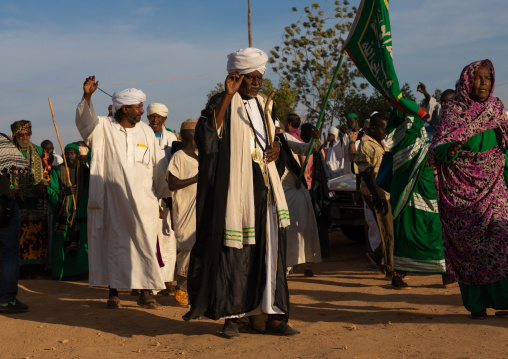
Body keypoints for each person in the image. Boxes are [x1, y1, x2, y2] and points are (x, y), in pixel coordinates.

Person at [184, 47, 299, 338]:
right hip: (235, 190)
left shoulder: (264, 104)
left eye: (260, 77)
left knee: (270, 251)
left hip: (265, 189)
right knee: (234, 253)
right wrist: (228, 96)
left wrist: (276, 150)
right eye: (251, 78)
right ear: (236, 76)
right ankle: (232, 317)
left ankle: (272, 315)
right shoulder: (221, 101)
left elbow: (273, 144)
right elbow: (207, 139)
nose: (257, 83)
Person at [75, 76, 170, 309]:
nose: (141, 111)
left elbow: (157, 166)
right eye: (137, 107)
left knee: (146, 244)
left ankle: (146, 293)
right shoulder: (104, 128)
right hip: (112, 202)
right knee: (113, 245)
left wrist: (163, 196)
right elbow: (85, 124)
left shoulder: (146, 132)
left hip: (143, 202)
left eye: (140, 106)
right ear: (124, 108)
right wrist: (87, 96)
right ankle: (114, 292)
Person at [430, 59, 508, 319]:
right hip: (460, 196)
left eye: (488, 78)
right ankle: (476, 306)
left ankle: (504, 301)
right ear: (467, 81)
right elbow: (437, 149)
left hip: (495, 189)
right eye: (479, 77)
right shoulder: (453, 111)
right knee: (468, 250)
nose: (484, 82)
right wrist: (449, 150)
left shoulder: (497, 110)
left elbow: (504, 149)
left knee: (501, 240)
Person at [386, 109, 453, 289]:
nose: (413, 123)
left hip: (421, 195)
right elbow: (427, 159)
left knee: (426, 233)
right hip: (413, 197)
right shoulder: (405, 145)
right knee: (417, 234)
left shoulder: (411, 143)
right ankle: (401, 274)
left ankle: (444, 274)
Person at [276, 121, 322, 277]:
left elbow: (307, 149)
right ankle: (285, 266)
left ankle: (306, 263)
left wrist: (314, 140)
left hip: (295, 190)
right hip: (275, 193)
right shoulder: (258, 141)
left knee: (303, 227)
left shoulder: (284, 138)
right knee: (282, 231)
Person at [354, 113, 394, 281]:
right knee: (387, 232)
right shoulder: (365, 144)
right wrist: (377, 197)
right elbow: (364, 173)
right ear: (373, 128)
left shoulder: (381, 142)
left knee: (391, 229)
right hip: (375, 193)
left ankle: (377, 255)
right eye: (383, 129)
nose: (385, 132)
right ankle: (391, 270)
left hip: (384, 191)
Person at [9, 120, 50, 274]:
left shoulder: (40, 151)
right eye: (21, 134)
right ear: (16, 135)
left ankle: (37, 269)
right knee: (17, 235)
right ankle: (18, 270)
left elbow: (47, 171)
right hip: (15, 201)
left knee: (37, 236)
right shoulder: (8, 152)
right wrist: (12, 188)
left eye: (28, 134)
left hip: (36, 201)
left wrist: (44, 182)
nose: (25, 137)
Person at [166, 119, 199, 307]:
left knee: (197, 248)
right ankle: (182, 287)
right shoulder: (179, 156)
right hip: (184, 208)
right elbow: (172, 183)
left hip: (198, 209)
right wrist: (196, 178)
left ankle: (194, 289)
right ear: (191, 135)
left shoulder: (199, 157)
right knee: (187, 247)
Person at [147, 103, 178, 295]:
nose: (155, 120)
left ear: (165, 119)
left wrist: (169, 195)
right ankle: (148, 281)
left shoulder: (172, 138)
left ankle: (167, 279)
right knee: (149, 237)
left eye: (159, 117)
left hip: (168, 194)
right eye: (152, 117)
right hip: (148, 193)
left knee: (168, 237)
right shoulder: (142, 135)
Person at [47, 143, 89, 280]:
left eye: (73, 153)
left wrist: (81, 210)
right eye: (67, 153)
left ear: (78, 155)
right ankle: (61, 273)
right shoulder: (57, 170)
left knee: (82, 245)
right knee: (60, 244)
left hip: (80, 213)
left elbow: (90, 190)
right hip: (62, 215)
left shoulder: (85, 171)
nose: (70, 155)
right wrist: (64, 192)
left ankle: (81, 273)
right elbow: (51, 191)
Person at [0, 133, 31, 313]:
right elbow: (20, 168)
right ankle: (6, 299)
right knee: (10, 253)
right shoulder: (2, 142)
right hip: (4, 208)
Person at [300, 123, 331, 260]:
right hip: (321, 190)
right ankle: (324, 251)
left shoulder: (304, 150)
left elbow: (305, 171)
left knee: (310, 223)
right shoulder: (320, 150)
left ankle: (312, 253)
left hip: (309, 189)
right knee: (322, 222)